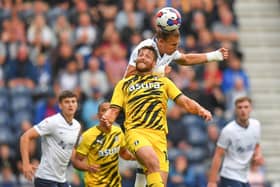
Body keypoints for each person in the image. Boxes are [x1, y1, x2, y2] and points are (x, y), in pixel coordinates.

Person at [101, 46, 212, 187]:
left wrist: (200, 110)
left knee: (158, 181)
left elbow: (184, 101)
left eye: (147, 56)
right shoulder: (123, 84)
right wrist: (107, 119)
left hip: (159, 137)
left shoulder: (164, 82)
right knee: (152, 162)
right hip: (136, 132)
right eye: (140, 55)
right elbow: (114, 110)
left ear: (154, 63)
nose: (142, 57)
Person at [20, 90, 81, 187]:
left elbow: (69, 149)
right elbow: (25, 137)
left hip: (62, 179)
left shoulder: (77, 126)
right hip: (45, 179)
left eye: (73, 101)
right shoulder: (52, 122)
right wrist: (26, 164)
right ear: (60, 105)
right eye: (67, 102)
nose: (71, 105)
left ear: (77, 105)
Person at [72, 102, 135, 186]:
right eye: (104, 110)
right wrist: (88, 167)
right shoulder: (87, 136)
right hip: (95, 184)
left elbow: (123, 153)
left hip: (115, 183)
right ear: (98, 116)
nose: (107, 113)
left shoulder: (118, 132)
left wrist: (137, 157)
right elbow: (76, 161)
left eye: (110, 111)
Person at [124, 28, 229, 78]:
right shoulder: (145, 47)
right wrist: (157, 71)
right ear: (161, 42)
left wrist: (214, 55)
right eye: (173, 45)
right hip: (130, 100)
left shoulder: (169, 51)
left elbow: (186, 59)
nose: (176, 48)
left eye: (177, 44)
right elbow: (129, 75)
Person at [207, 96, 264, 187]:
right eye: (239, 107)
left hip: (244, 176)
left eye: (246, 107)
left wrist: (258, 155)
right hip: (229, 175)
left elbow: (257, 145)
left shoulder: (256, 125)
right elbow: (218, 155)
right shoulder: (228, 130)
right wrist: (212, 182)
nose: (243, 110)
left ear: (251, 109)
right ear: (235, 110)